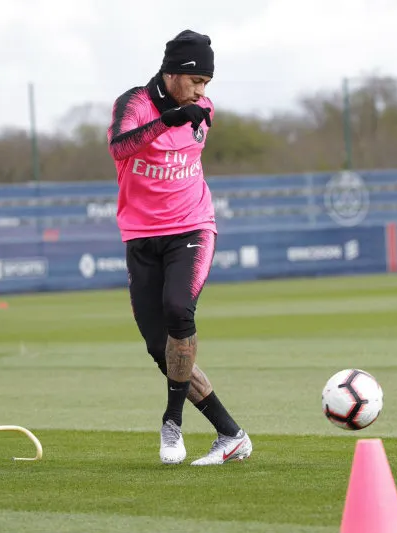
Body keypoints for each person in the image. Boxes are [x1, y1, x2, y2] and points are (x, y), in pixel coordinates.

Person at [106, 29, 252, 466]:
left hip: (192, 227)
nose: (202, 91)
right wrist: (165, 121)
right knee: (159, 347)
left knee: (178, 310)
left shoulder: (203, 108)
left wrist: (185, 112)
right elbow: (119, 148)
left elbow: (193, 135)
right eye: (196, 80)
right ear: (173, 73)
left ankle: (172, 422)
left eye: (207, 83)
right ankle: (231, 434)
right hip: (140, 235)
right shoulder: (134, 103)